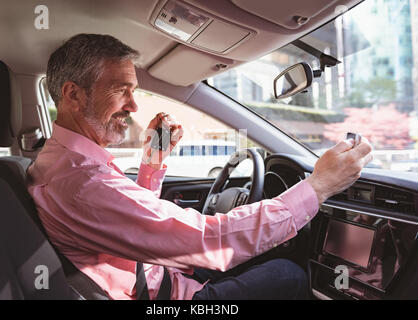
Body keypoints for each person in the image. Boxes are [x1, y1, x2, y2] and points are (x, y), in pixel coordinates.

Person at [27, 33, 373, 300]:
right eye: (122, 91)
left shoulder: (68, 162)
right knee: (288, 274)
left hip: (164, 276)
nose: (133, 105)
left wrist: (153, 161)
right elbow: (211, 240)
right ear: (73, 95)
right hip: (170, 297)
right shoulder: (82, 179)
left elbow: (129, 223)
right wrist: (318, 186)